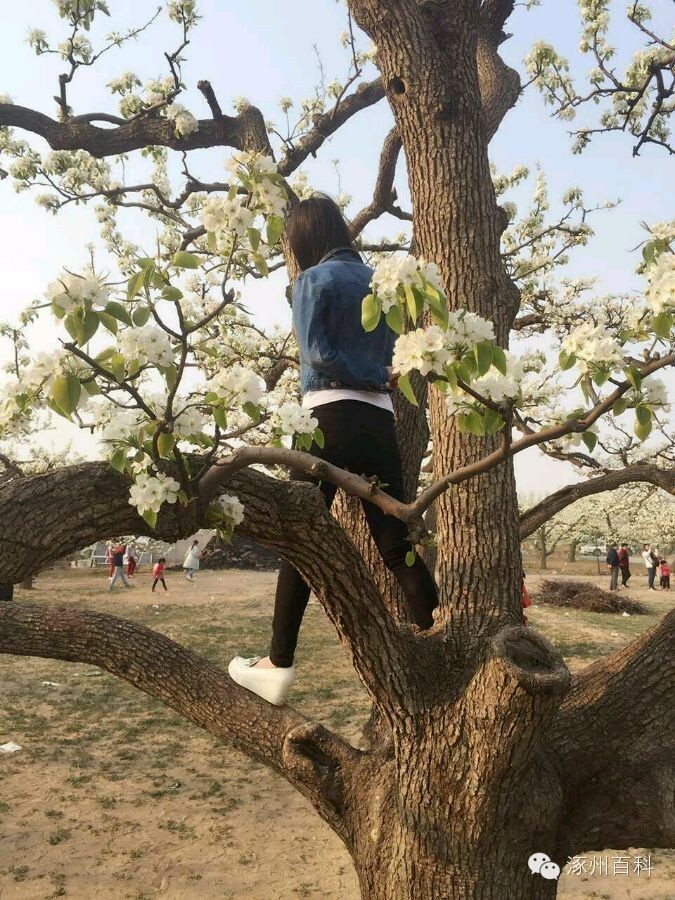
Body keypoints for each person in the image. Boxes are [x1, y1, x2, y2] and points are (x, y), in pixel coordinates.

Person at [228, 195, 438, 706]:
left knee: (298, 538)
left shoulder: (309, 281)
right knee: (395, 544)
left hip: (325, 417)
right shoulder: (381, 284)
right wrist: (377, 378)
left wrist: (363, 373)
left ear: (304, 239)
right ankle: (440, 648)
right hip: (379, 420)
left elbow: (316, 351)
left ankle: (277, 664)